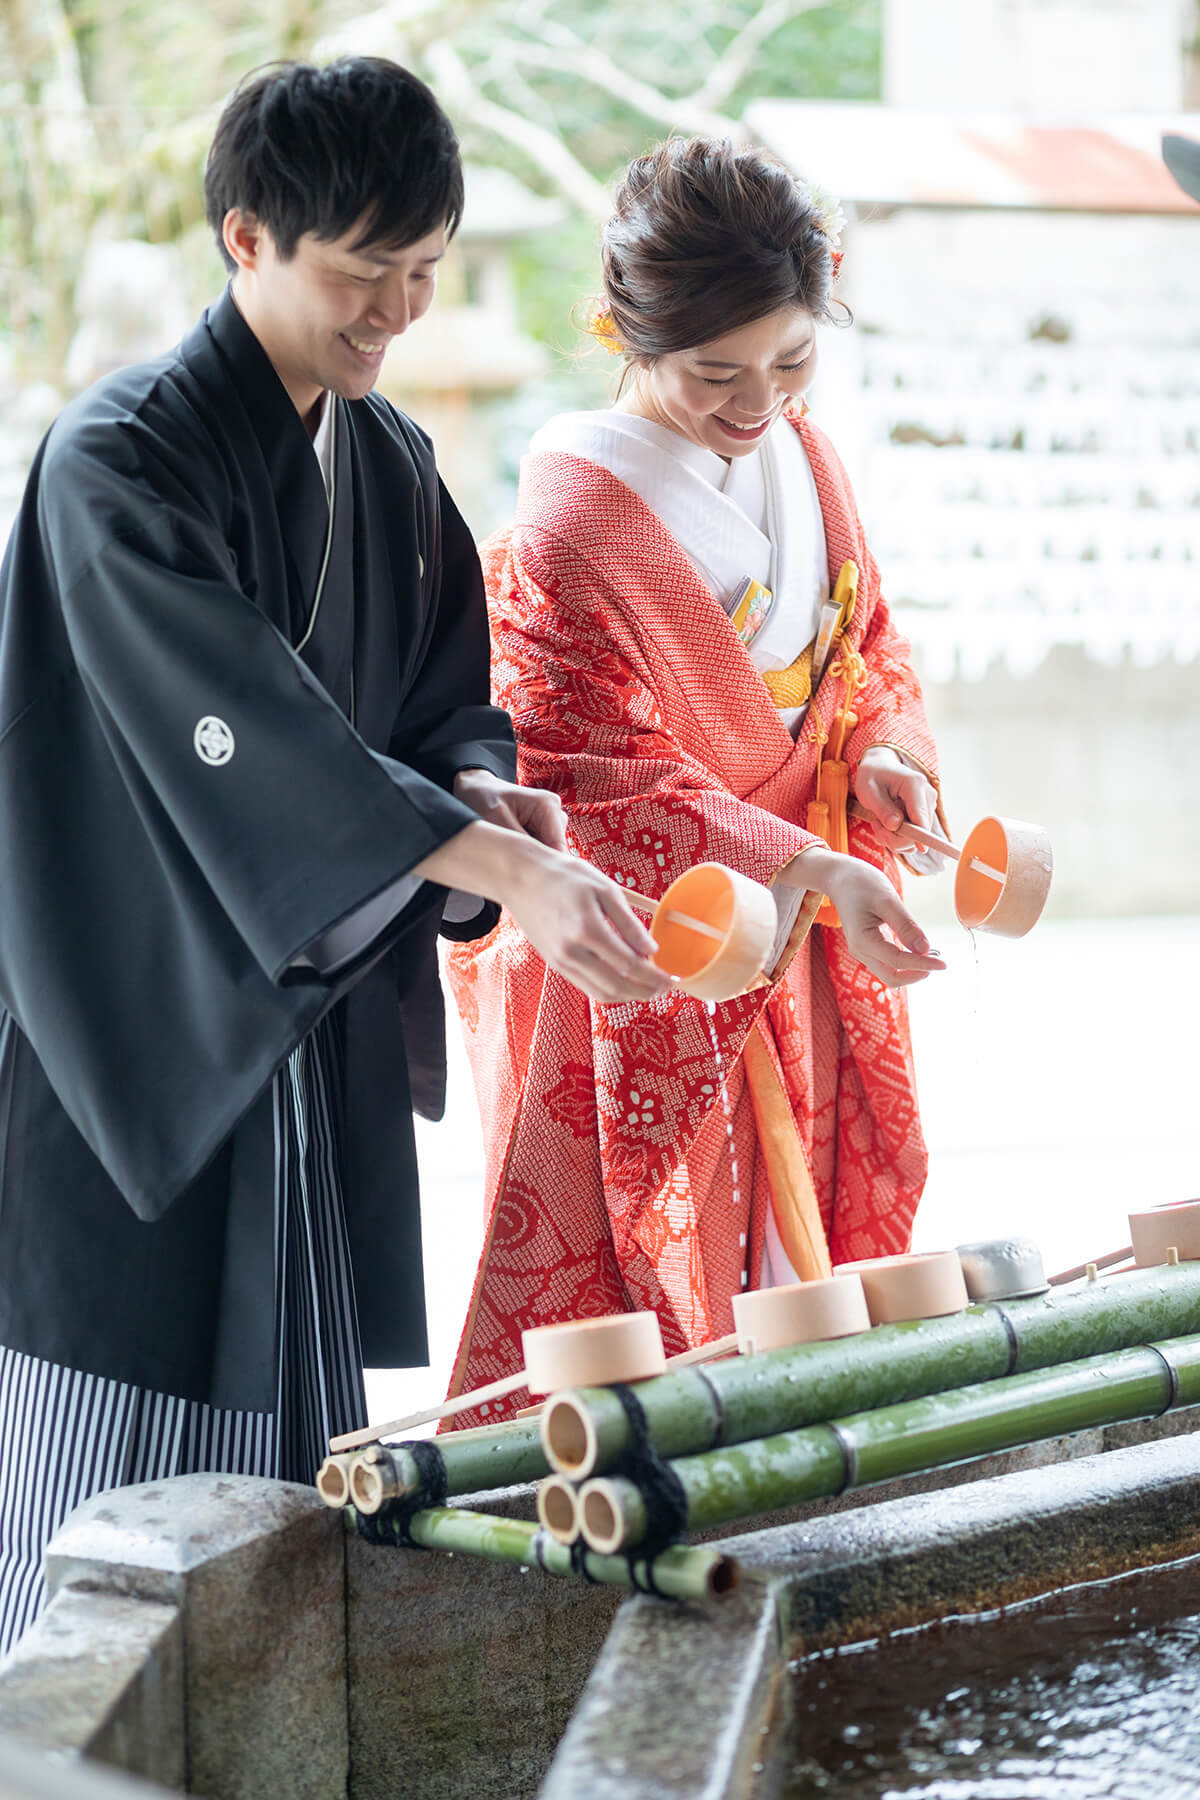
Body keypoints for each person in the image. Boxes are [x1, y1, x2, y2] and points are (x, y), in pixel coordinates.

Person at [0, 57, 669, 1656]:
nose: (397, 317)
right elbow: (244, 738)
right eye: (363, 276)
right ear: (246, 239)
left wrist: (479, 806)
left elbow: (448, 708)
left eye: (424, 275)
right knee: (94, 1527)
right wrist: (484, 864)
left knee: (284, 1526)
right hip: (135, 1055)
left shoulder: (385, 468)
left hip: (296, 1056)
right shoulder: (119, 463)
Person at [444, 137, 949, 1420]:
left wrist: (881, 753)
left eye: (791, 361)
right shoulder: (566, 531)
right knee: (644, 1316)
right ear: (625, 331)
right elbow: (586, 780)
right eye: (715, 373)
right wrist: (796, 860)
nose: (757, 403)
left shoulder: (813, 459)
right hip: (658, 943)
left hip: (806, 907)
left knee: (810, 1256)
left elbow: (866, 642)